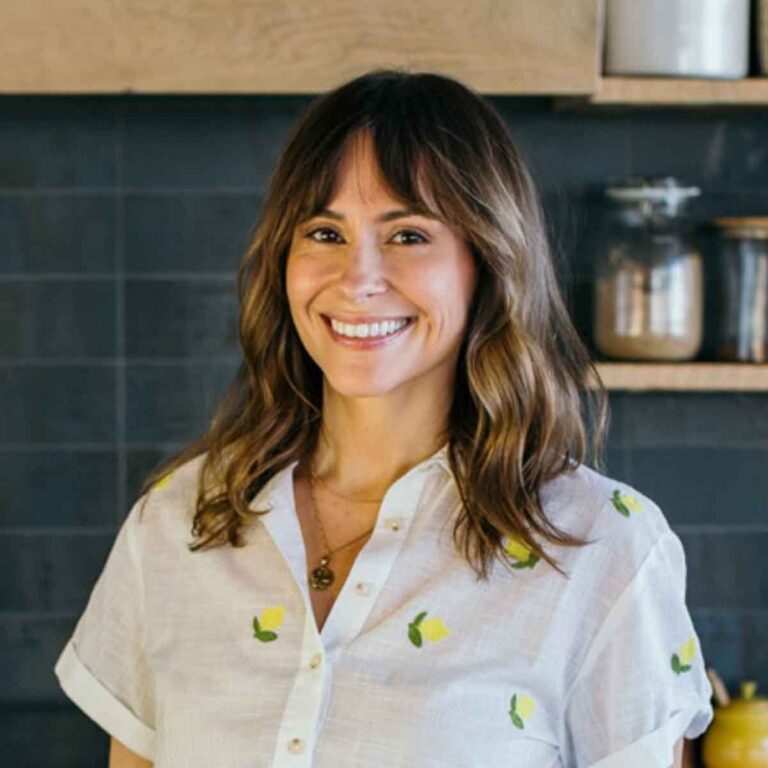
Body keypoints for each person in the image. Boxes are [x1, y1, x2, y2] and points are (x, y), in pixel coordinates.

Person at [53, 69, 713, 768]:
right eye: (324, 232)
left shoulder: (603, 550)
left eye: (407, 235)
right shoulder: (179, 521)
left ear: (486, 262)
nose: (357, 278)